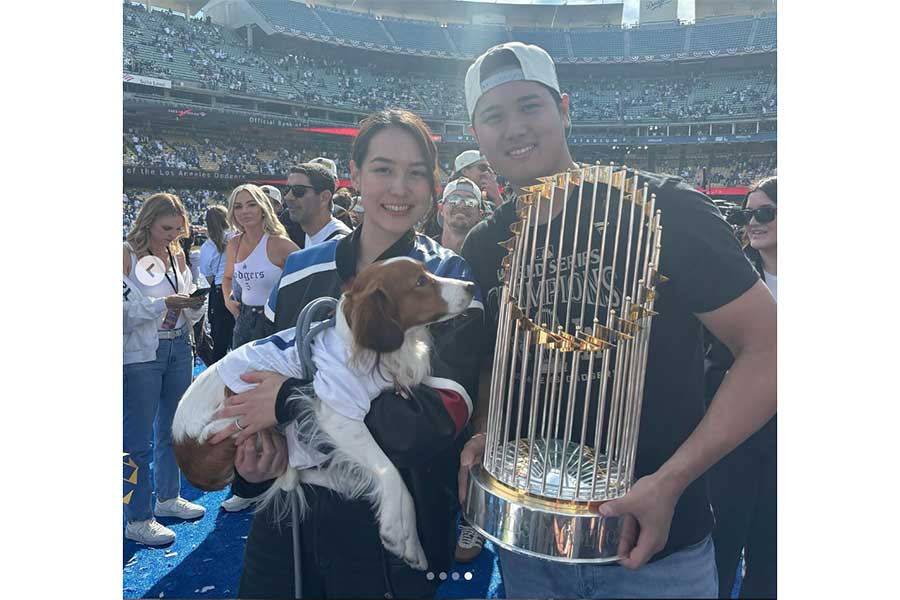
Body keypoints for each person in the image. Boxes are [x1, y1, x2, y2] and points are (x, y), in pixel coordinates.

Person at [457, 42, 776, 598]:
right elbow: (497, 362)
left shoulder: (665, 209)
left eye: (530, 106)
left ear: (565, 109)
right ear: (476, 135)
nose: (514, 128)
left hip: (655, 557)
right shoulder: (487, 245)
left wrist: (670, 483)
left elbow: (771, 349)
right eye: (494, 116)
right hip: (530, 553)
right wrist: (486, 427)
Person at [208, 109, 485, 599]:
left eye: (416, 172)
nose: (399, 188)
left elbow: (428, 424)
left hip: (393, 532)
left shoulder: (451, 279)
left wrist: (290, 400)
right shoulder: (297, 269)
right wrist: (250, 467)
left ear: (433, 185)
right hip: (287, 521)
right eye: (382, 169)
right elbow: (258, 388)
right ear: (353, 175)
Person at [706, 176, 777, 599]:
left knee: (773, 551)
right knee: (722, 542)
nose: (753, 222)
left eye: (765, 212)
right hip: (737, 433)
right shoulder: (731, 281)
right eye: (746, 213)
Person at [123, 193, 207, 546]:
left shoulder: (175, 254)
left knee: (172, 429)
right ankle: (137, 517)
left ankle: (168, 498)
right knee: (135, 441)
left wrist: (193, 305)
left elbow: (184, 295)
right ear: (147, 222)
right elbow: (121, 313)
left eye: (177, 228)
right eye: (165, 228)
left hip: (178, 345)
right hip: (141, 353)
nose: (172, 234)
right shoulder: (125, 254)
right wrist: (165, 304)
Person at [220, 183, 298, 512]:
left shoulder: (279, 244)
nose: (245, 211)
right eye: (238, 206)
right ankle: (248, 483)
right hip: (244, 325)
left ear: (263, 207)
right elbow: (226, 279)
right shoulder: (235, 244)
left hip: (273, 328)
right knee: (241, 401)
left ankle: (284, 478)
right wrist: (228, 300)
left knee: (275, 404)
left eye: (251, 204)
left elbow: (306, 277)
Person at [282, 162, 351, 249]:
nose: (288, 197)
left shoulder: (342, 245)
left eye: (298, 190)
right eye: (287, 189)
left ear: (324, 197)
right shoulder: (311, 234)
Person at [198, 205, 234, 364]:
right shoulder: (237, 236)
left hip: (220, 291)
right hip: (239, 288)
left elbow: (209, 277)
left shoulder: (207, 246)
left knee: (219, 341)